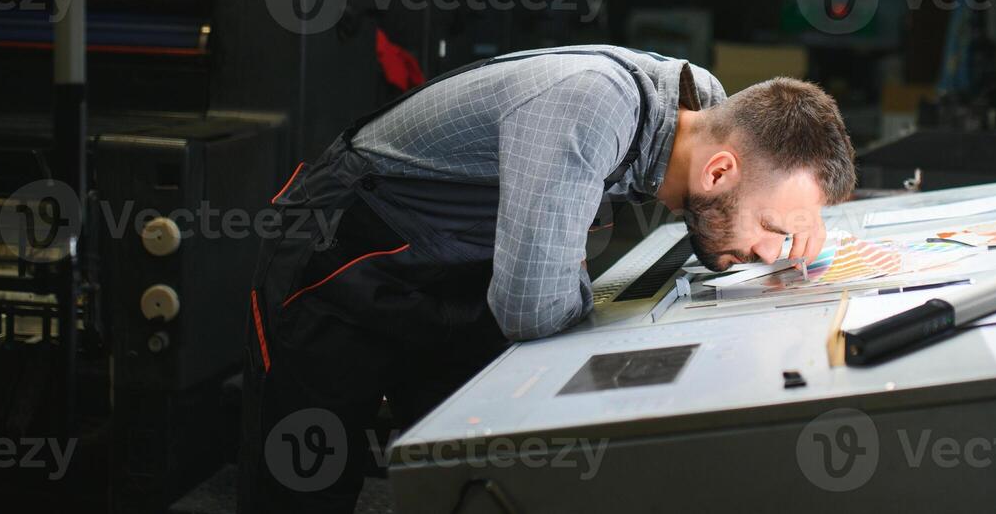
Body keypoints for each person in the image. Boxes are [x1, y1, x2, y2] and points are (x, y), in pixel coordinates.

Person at [238, 45, 855, 512]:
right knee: (307, 476)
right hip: (342, 252)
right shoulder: (586, 106)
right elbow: (532, 311)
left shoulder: (708, 109)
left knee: (465, 471)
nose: (770, 252)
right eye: (774, 230)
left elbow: (713, 218)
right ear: (718, 173)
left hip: (457, 265)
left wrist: (787, 222)